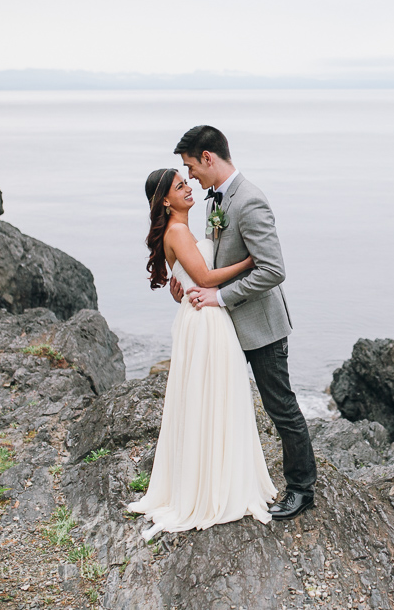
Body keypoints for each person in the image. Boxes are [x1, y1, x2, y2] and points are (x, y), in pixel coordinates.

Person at [170, 125, 317, 520]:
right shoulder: (214, 201)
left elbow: (273, 270)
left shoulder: (249, 201)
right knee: (231, 406)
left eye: (191, 166)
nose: (191, 177)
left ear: (208, 157)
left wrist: (220, 296)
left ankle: (302, 489)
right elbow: (212, 258)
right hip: (227, 330)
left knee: (280, 407)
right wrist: (183, 278)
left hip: (260, 326)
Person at [126, 168, 277, 538]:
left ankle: (212, 476)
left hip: (203, 316)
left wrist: (183, 286)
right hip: (206, 320)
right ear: (165, 200)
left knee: (211, 398)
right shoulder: (177, 232)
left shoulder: (183, 231)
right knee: (216, 398)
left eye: (187, 180)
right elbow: (207, 279)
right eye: (180, 186)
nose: (189, 186)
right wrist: (251, 261)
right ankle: (213, 485)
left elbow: (189, 277)